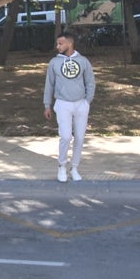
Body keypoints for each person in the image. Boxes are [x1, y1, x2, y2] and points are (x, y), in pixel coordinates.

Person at [43, 29, 96, 182]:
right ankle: (61, 166)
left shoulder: (83, 61)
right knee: (65, 136)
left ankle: (75, 168)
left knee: (79, 137)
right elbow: (49, 84)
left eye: (61, 43)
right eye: (57, 43)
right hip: (63, 103)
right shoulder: (54, 62)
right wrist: (47, 104)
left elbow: (90, 82)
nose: (57, 46)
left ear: (70, 43)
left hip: (81, 104)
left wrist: (87, 101)